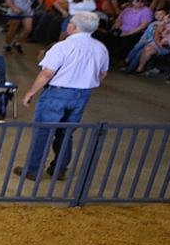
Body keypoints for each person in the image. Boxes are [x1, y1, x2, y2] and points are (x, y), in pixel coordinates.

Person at [14, 11, 106, 182]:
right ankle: (59, 169)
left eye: (70, 23)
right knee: (66, 132)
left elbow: (47, 73)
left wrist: (30, 92)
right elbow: (102, 73)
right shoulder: (100, 48)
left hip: (57, 93)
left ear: (74, 27)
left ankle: (33, 169)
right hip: (82, 95)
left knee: (44, 131)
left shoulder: (62, 46)